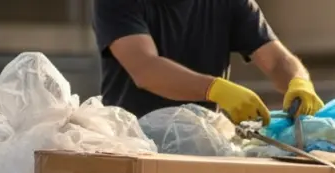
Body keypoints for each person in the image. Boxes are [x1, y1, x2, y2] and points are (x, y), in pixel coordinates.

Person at [93, 0, 323, 125]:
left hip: (201, 141)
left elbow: (276, 60)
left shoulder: (231, 4)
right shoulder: (117, 3)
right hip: (131, 141)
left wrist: (299, 83)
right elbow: (145, 68)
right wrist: (215, 89)